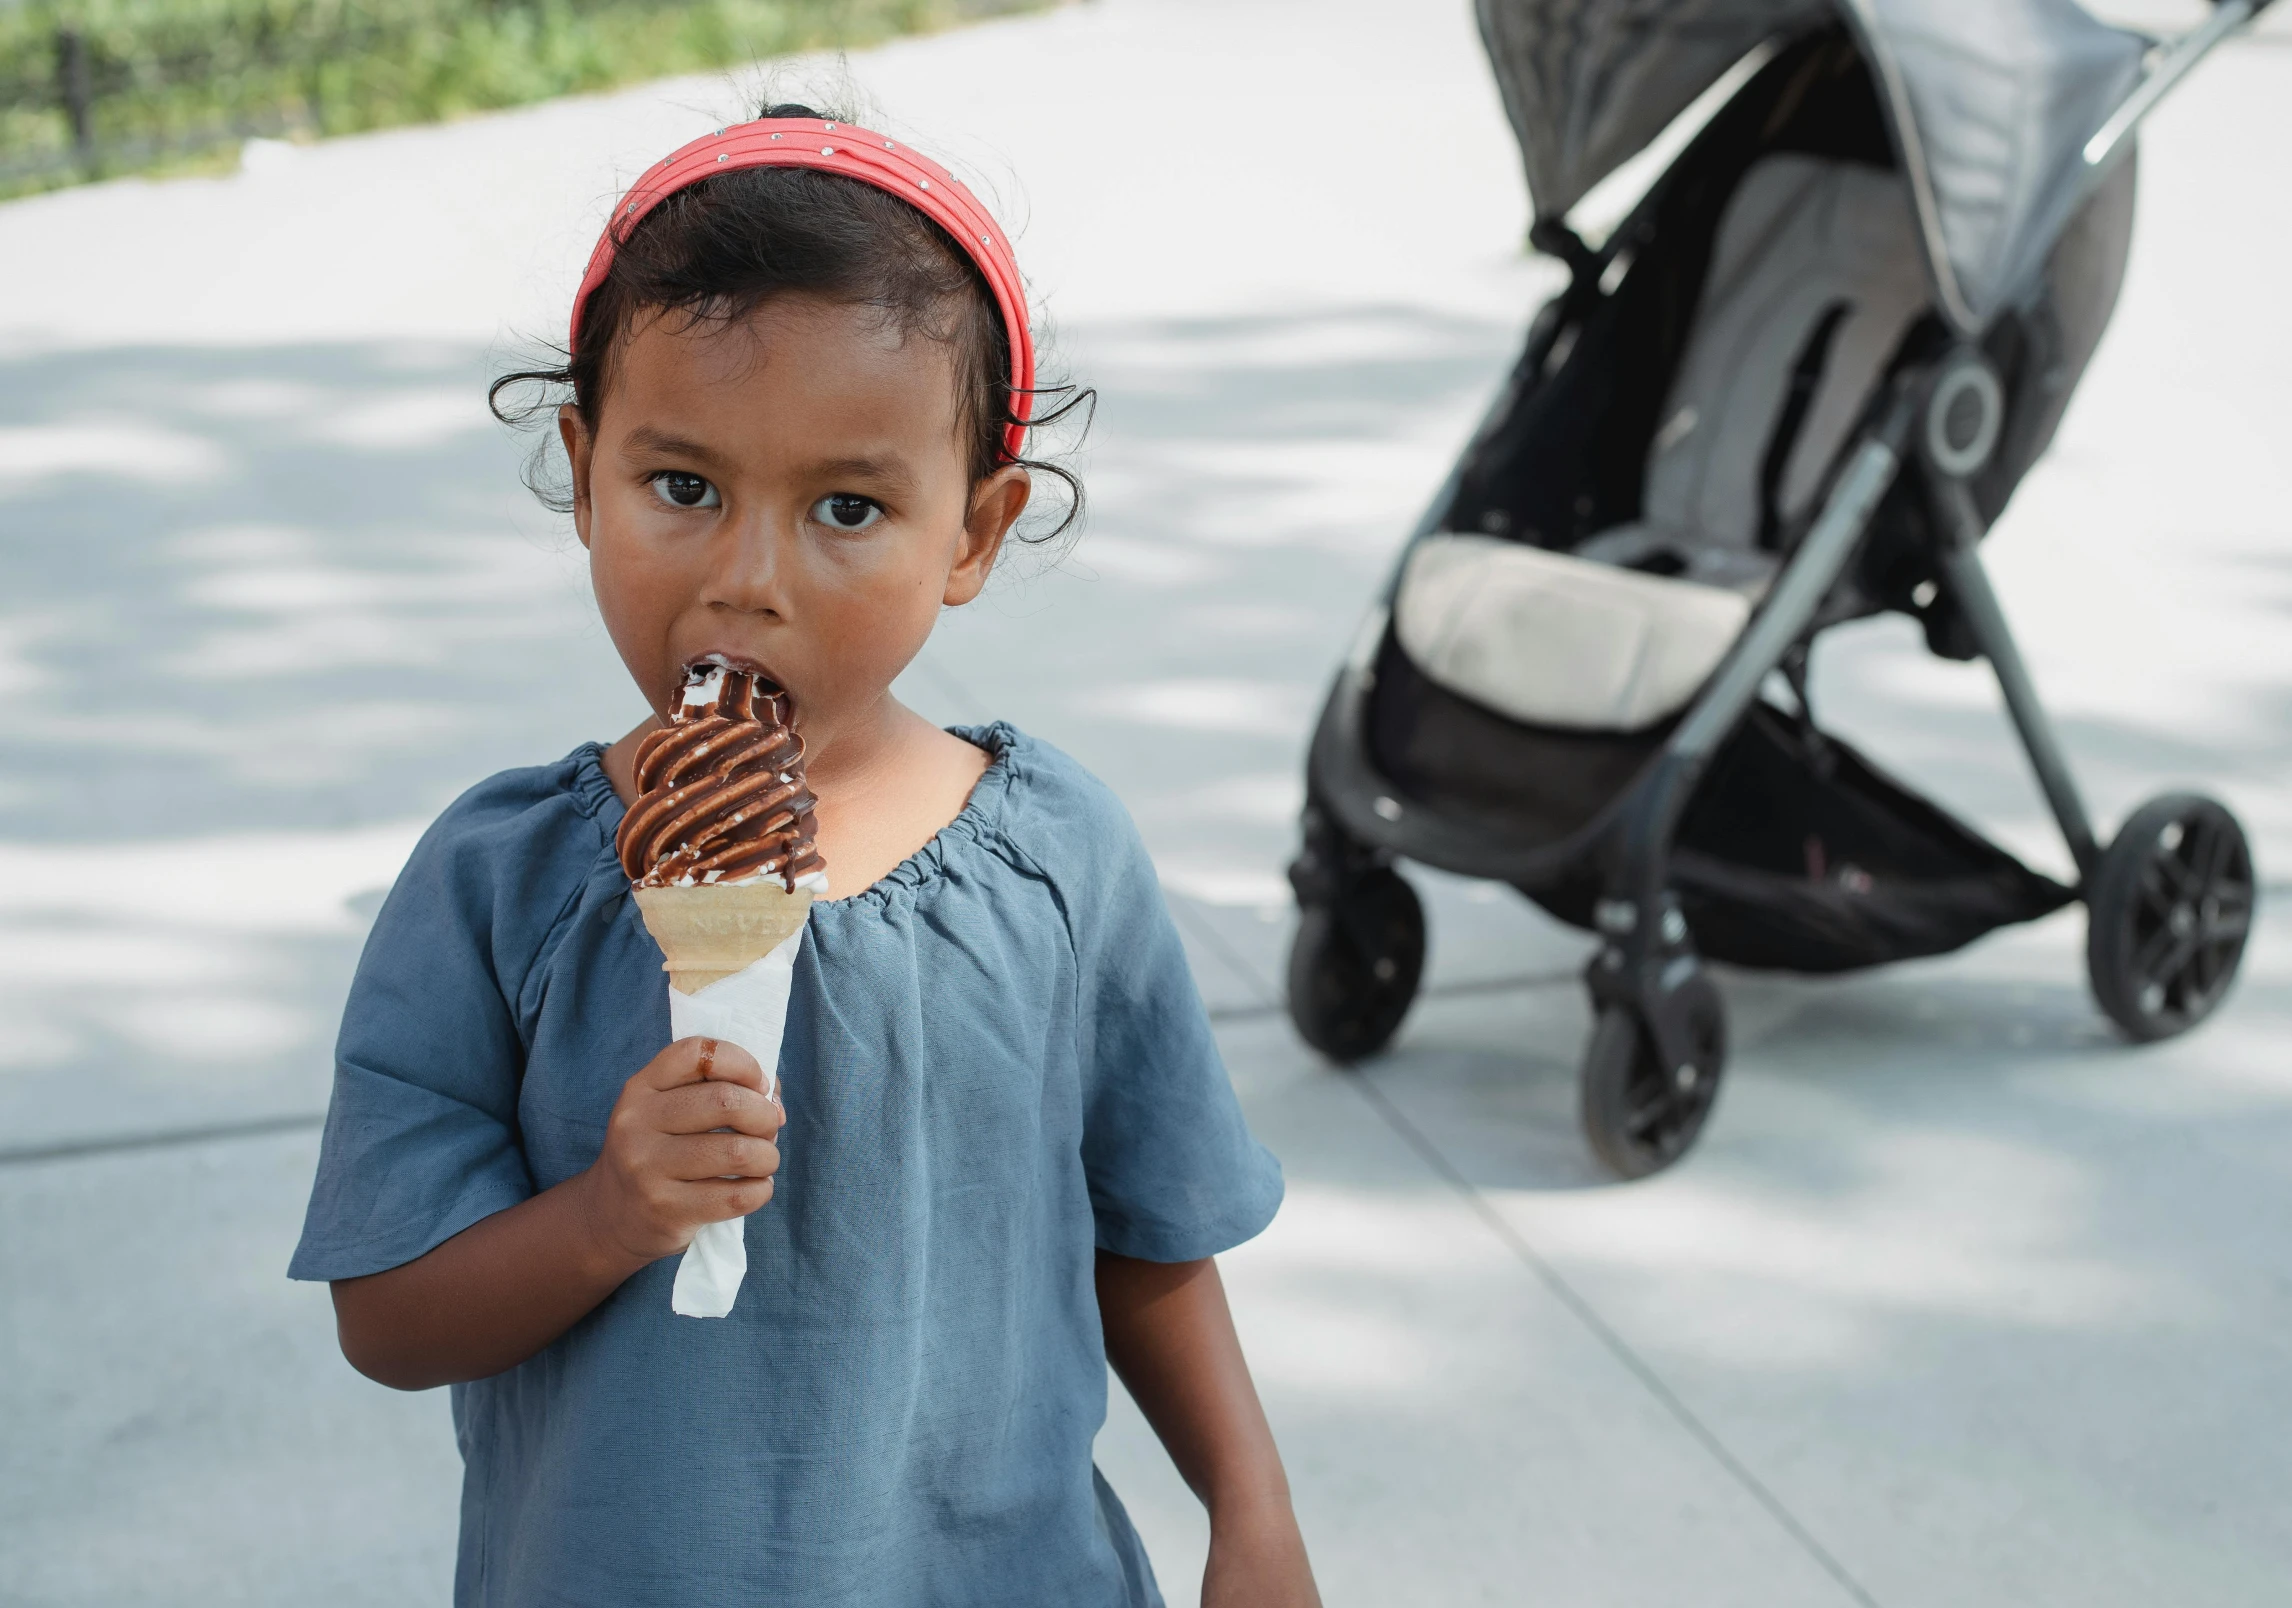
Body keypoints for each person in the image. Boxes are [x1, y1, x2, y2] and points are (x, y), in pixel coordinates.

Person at [287, 104, 1318, 1607]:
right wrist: (607, 1217)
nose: (746, 581)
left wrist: (1252, 1506)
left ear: (973, 533)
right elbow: (387, 1318)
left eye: (849, 507)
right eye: (682, 487)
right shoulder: (497, 886)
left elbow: (1149, 1238)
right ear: (583, 473)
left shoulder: (1056, 863)